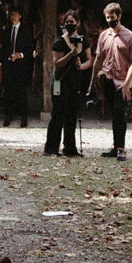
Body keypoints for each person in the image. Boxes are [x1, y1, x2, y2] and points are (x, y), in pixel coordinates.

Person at [94, 2, 132, 161]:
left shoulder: (130, 36)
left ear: (119, 17)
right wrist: (93, 81)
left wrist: (128, 84)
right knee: (113, 113)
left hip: (122, 81)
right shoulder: (103, 36)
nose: (109, 20)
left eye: (112, 17)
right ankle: (115, 146)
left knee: (120, 113)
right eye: (107, 18)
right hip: (107, 79)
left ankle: (121, 148)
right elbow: (99, 58)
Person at [44, 11, 91, 157]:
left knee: (72, 115)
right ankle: (51, 148)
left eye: (72, 22)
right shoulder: (59, 42)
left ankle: (70, 148)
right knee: (57, 115)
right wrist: (72, 54)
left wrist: (81, 66)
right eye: (67, 22)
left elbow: (89, 60)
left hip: (75, 82)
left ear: (78, 23)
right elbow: (57, 63)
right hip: (60, 82)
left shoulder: (84, 41)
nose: (70, 24)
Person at [0, 6, 35, 128]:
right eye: (11, 15)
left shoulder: (25, 30)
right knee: (8, 90)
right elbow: (3, 47)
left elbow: (30, 48)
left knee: (21, 91)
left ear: (20, 16)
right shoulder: (7, 29)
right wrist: (0, 62)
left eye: (15, 14)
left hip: (20, 65)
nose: (12, 17)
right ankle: (7, 116)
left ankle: (24, 117)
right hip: (9, 63)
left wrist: (20, 55)